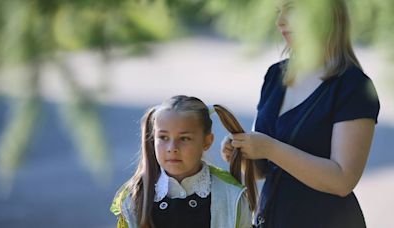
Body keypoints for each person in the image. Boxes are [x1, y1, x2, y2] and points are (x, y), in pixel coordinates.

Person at [220, 0, 380, 227]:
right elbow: (264, 169)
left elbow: (343, 180)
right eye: (278, 12)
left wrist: (269, 147)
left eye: (291, 10)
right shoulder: (276, 75)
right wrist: (242, 152)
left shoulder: (353, 86)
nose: (280, 22)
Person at [110, 95, 252, 228]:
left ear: (207, 142)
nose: (172, 148)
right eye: (163, 138)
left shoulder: (231, 197)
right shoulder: (133, 197)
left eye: (184, 138)